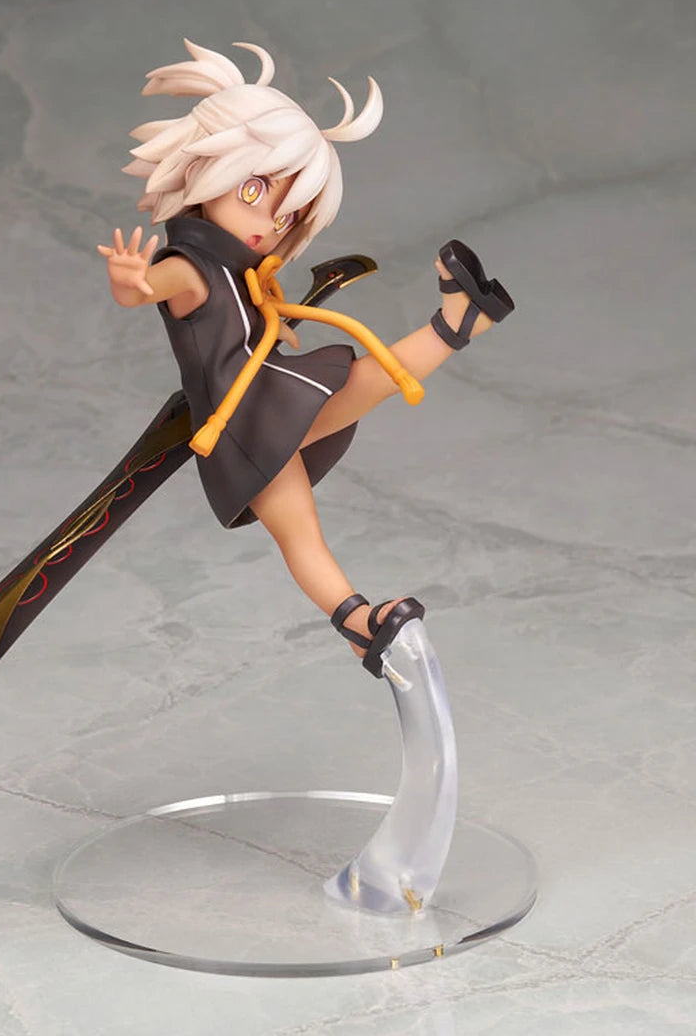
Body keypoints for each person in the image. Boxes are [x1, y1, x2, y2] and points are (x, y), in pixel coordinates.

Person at [98, 40, 510, 675]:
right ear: (205, 169)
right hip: (240, 421)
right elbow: (151, 289)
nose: (267, 223)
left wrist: (273, 326)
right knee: (307, 513)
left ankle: (359, 625)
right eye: (254, 189)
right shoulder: (190, 266)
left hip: (261, 403)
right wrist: (131, 280)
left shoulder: (239, 271)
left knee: (348, 422)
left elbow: (240, 325)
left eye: (287, 215)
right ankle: (457, 323)